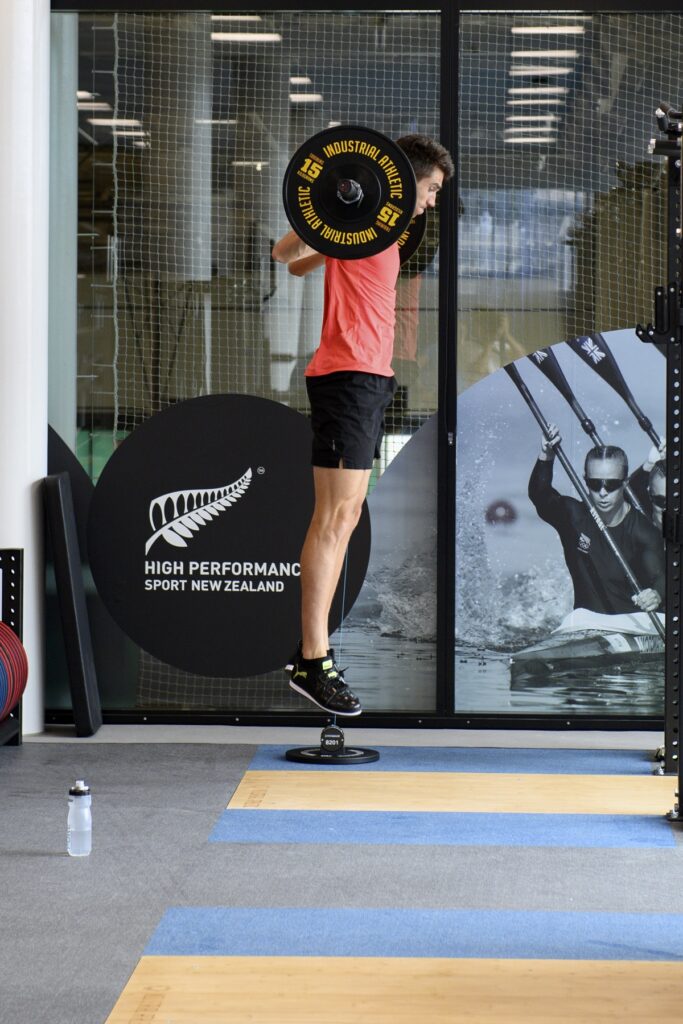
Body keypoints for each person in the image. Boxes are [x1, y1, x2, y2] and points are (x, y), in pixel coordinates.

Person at [272, 134, 454, 715]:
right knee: (333, 520)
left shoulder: (378, 233)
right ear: (407, 180)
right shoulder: (362, 218)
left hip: (370, 378)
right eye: (431, 189)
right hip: (346, 376)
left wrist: (336, 237)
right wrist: (335, 205)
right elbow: (284, 252)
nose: (432, 202)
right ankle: (312, 659)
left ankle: (314, 653)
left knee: (347, 517)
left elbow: (299, 266)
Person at [529, 425, 664, 616]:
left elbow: (659, 576)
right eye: (594, 483)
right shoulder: (573, 517)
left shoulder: (643, 531)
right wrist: (546, 454)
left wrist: (656, 595)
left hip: (631, 621)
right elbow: (540, 495)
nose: (602, 492)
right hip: (585, 622)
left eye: (611, 484)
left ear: (624, 483)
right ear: (585, 479)